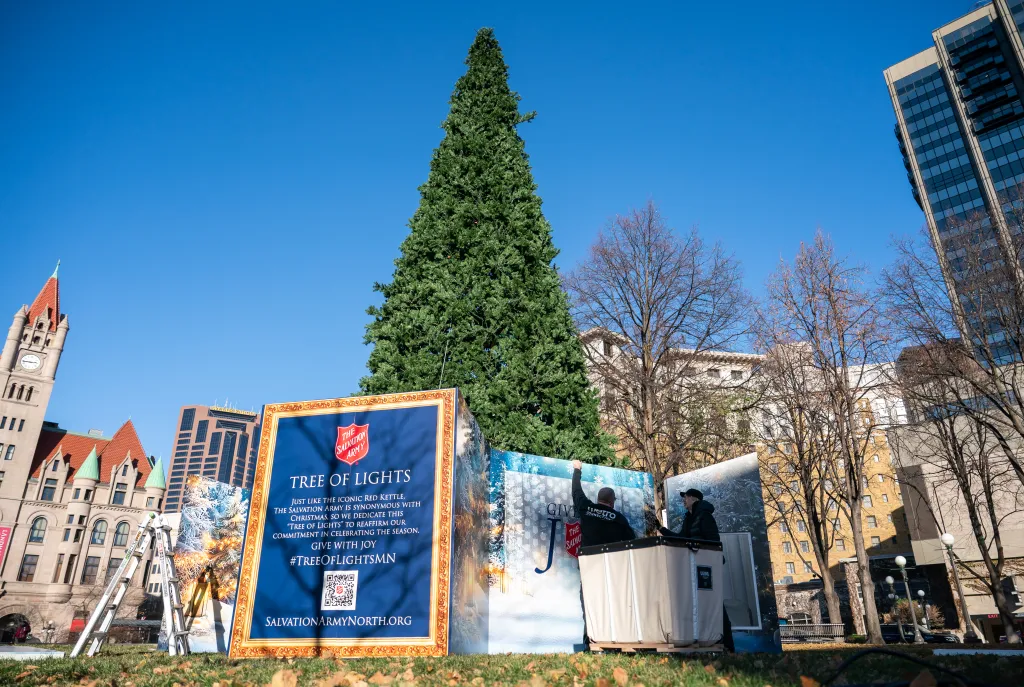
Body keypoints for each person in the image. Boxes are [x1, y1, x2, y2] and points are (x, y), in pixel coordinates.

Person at [658, 488, 734, 652]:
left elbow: (714, 541)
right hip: (694, 566)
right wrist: (661, 530)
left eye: (685, 498)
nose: (683, 501)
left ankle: (727, 645)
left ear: (692, 498)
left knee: (714, 604)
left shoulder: (705, 516)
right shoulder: (689, 518)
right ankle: (704, 643)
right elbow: (682, 538)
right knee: (699, 604)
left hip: (708, 567)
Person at [572, 459, 636, 649]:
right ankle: (613, 641)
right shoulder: (620, 519)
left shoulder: (587, 509)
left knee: (589, 605)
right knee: (611, 604)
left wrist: (577, 471)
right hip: (611, 570)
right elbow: (631, 544)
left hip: (588, 567)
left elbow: (576, 492)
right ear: (612, 501)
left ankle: (590, 641)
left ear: (599, 498)